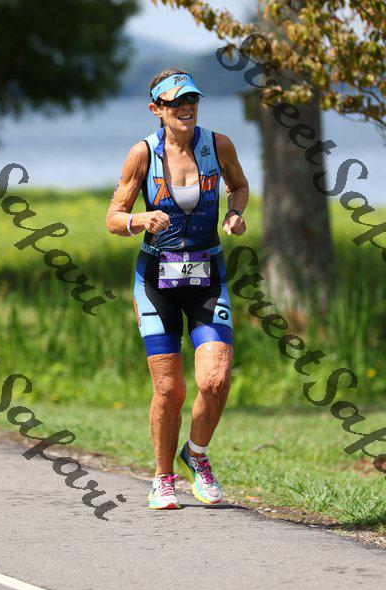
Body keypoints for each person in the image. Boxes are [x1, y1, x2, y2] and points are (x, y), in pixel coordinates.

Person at [106, 67, 249, 510]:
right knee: (170, 390)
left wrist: (234, 213)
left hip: (208, 277)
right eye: (175, 102)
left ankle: (197, 454)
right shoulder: (142, 154)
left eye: (192, 99)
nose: (186, 107)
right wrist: (140, 219)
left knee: (215, 379)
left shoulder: (219, 145)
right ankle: (163, 478)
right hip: (156, 283)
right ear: (157, 109)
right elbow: (113, 217)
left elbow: (239, 186)